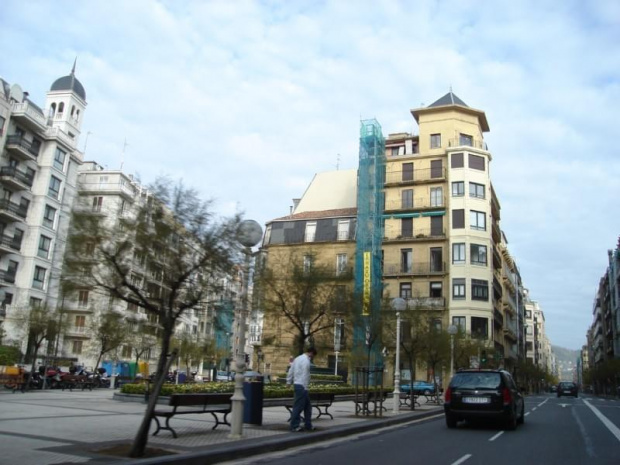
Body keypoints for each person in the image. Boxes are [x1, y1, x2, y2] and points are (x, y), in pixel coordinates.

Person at [286, 347, 317, 432]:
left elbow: (291, 370)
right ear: (311, 353)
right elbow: (305, 375)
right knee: (298, 407)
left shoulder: (297, 358)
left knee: (307, 407)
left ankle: (308, 425)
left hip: (297, 384)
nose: (312, 358)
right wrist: (305, 387)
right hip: (302, 386)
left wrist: (288, 381)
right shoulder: (306, 361)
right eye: (313, 356)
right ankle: (294, 425)